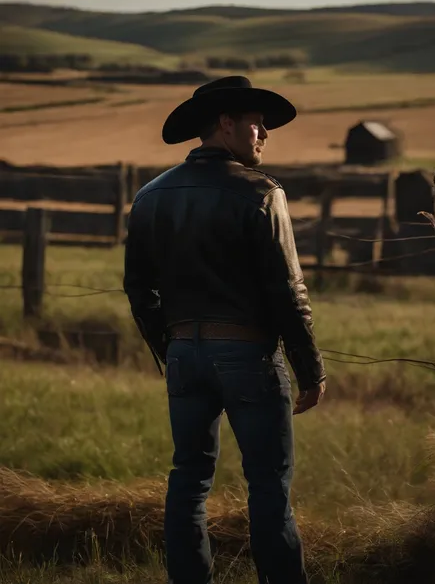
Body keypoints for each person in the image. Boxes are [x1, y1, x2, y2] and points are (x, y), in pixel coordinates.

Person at [123, 76, 326, 584]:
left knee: (188, 480)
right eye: (256, 122)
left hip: (184, 356)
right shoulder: (261, 192)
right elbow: (287, 290)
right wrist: (311, 369)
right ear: (226, 124)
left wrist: (169, 349)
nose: (264, 133)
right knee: (268, 486)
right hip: (248, 356)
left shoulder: (150, 196)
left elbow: (138, 289)